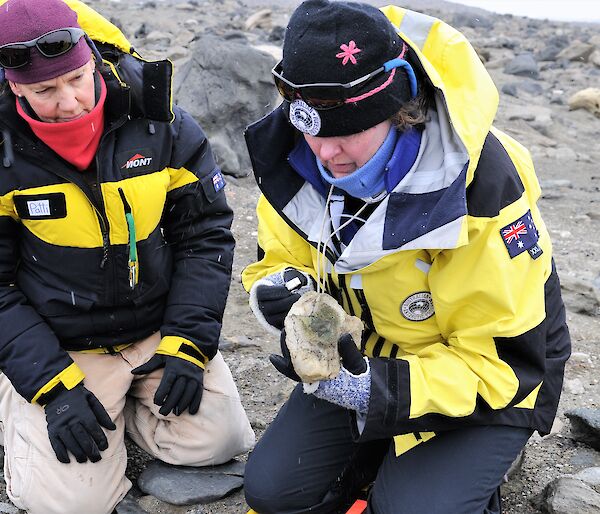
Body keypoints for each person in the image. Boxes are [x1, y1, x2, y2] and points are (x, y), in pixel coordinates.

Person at [241, 1, 571, 513]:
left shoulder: (482, 193)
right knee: (273, 490)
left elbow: (501, 364)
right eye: (312, 129)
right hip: (368, 357)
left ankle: (466, 475)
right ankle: (380, 455)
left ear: (401, 112)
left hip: (494, 377)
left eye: (346, 131)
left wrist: (377, 391)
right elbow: (278, 257)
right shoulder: (297, 159)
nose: (325, 154)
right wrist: (280, 290)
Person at [0, 1, 255, 513]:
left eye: (76, 78)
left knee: (221, 442)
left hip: (154, 330)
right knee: (73, 505)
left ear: (91, 58)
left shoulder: (162, 124)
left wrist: (189, 341)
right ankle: (21, 402)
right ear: (14, 87)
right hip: (63, 344)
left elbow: (204, 234)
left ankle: (119, 411)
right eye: (45, 91)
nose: (69, 102)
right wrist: (53, 389)